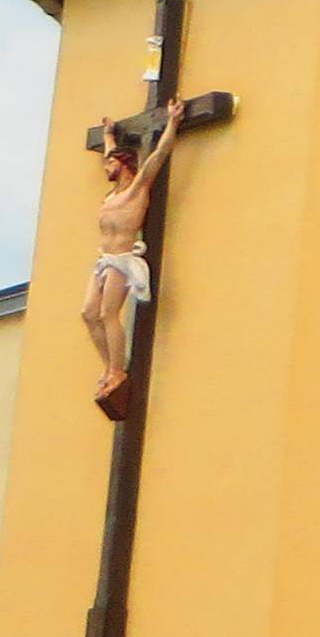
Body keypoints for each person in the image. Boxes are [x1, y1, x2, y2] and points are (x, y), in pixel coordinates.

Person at [85, 97, 185, 418]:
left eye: (111, 164)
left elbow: (159, 155)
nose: (106, 167)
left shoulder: (136, 189)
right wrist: (109, 134)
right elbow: (108, 151)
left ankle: (118, 371)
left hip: (123, 260)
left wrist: (172, 121)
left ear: (124, 165)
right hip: (104, 260)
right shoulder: (111, 196)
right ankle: (109, 366)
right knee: (88, 313)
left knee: (108, 313)